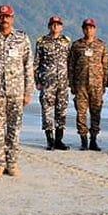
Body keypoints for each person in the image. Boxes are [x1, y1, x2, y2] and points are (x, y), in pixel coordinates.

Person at [0, 4, 33, 177]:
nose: (5, 20)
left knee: (14, 128)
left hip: (16, 91)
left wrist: (28, 92)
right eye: (1, 17)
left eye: (7, 16)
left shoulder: (22, 38)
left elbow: (28, 65)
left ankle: (12, 163)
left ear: (12, 18)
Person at [68, 18, 108, 151]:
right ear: (83, 29)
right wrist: (72, 84)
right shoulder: (76, 45)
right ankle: (83, 140)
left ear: (94, 29)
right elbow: (71, 66)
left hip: (97, 85)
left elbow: (105, 66)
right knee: (81, 113)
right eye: (86, 27)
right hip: (80, 85)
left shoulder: (101, 45)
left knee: (96, 112)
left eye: (91, 27)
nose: (88, 30)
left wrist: (105, 85)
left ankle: (94, 140)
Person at [34, 16, 71, 150]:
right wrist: (37, 81)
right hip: (47, 82)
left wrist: (70, 81)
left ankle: (59, 140)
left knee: (61, 111)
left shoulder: (66, 42)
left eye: (58, 25)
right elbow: (36, 63)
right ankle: (50, 140)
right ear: (49, 26)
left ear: (61, 27)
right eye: (53, 25)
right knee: (47, 111)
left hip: (62, 82)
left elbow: (70, 62)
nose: (55, 27)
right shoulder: (42, 42)